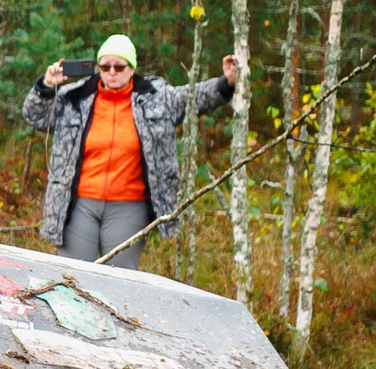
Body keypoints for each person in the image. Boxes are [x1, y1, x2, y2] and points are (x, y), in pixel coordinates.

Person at [22, 35, 239, 271]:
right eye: (105, 66)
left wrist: (226, 82)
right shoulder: (75, 97)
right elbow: (35, 115)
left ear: (132, 68)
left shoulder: (157, 98)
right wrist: (46, 86)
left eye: (119, 67)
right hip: (77, 204)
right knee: (72, 275)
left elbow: (194, 98)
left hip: (129, 207)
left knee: (120, 278)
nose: (111, 72)